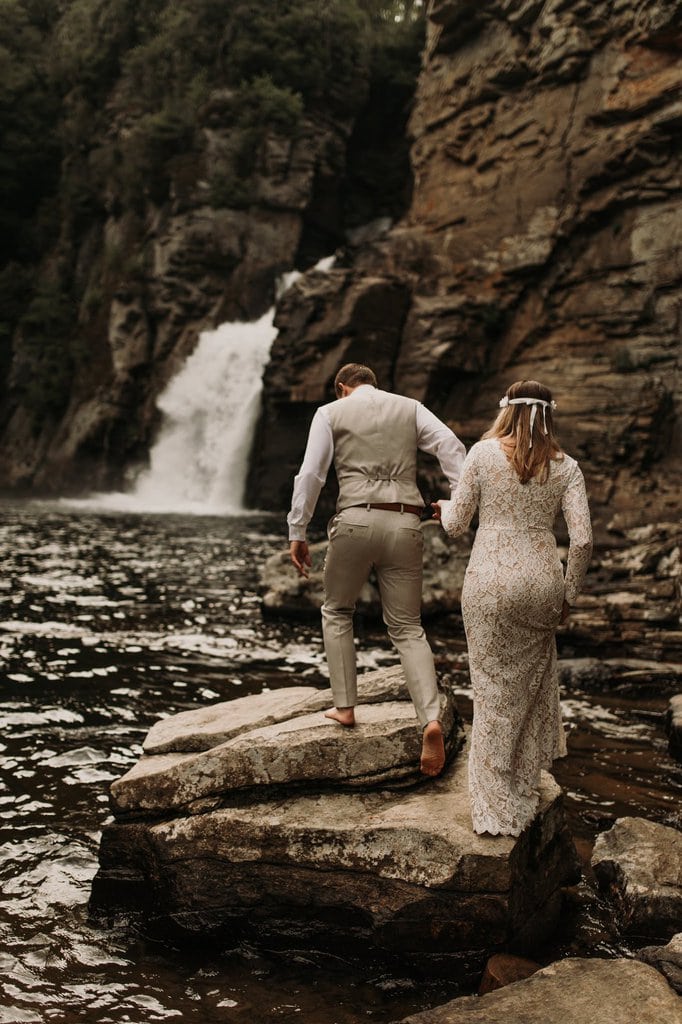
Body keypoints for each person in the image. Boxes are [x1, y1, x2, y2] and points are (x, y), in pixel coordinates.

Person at [288, 362, 466, 777]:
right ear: (373, 383)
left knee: (336, 611)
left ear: (341, 388)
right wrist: (458, 505)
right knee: (407, 626)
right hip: (405, 521)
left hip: (354, 521)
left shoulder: (331, 412)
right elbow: (451, 446)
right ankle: (431, 720)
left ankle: (345, 708)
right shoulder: (409, 407)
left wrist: (298, 529)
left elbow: (312, 473)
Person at [435, 379, 592, 835]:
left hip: (489, 581)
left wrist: (444, 507)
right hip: (542, 580)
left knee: (490, 688)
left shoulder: (481, 455)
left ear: (507, 409)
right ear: (549, 415)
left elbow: (456, 525)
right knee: (531, 683)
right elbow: (581, 540)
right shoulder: (567, 467)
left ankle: (492, 801)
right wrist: (569, 594)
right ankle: (522, 780)